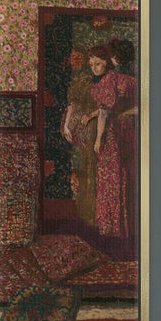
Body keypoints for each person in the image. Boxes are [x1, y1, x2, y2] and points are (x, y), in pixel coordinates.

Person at [91, 39, 139, 242]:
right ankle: (128, 227)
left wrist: (98, 138)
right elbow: (142, 107)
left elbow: (104, 113)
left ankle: (112, 227)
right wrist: (128, 113)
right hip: (130, 133)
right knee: (127, 175)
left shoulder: (111, 80)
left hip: (112, 135)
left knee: (111, 177)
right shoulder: (134, 80)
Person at [62, 51, 99, 225]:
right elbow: (72, 104)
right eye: (91, 63)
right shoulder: (83, 81)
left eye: (96, 63)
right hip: (86, 128)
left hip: (99, 125)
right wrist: (66, 125)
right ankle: (89, 212)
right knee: (88, 166)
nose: (93, 66)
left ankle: (99, 214)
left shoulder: (105, 80)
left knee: (97, 169)